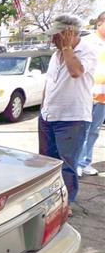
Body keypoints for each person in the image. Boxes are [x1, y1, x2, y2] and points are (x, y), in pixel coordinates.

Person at [39, 14, 98, 205]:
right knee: (47, 163)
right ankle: (50, 198)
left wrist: (66, 48)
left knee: (66, 165)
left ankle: (66, 204)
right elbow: (49, 83)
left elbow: (76, 72)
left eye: (57, 35)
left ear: (69, 33)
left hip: (72, 119)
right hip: (48, 116)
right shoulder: (56, 56)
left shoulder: (86, 51)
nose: (53, 39)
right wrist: (42, 109)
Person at [78, 11, 105, 177]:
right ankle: (77, 163)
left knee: (94, 131)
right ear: (99, 24)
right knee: (83, 130)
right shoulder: (88, 42)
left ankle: (86, 162)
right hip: (86, 95)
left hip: (103, 98)